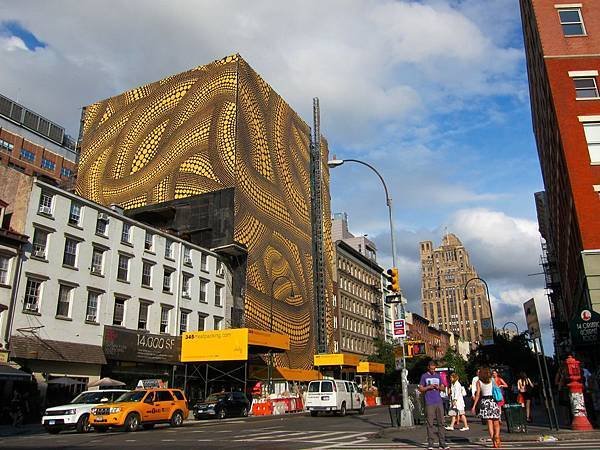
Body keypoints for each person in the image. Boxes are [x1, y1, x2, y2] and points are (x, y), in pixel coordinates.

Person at [419, 360, 449, 450]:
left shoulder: (438, 375)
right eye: (431, 369)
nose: (433, 371)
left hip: (438, 401)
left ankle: (442, 443)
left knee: (441, 423)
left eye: (434, 369)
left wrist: (438, 387)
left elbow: (443, 387)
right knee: (430, 423)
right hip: (429, 402)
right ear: (428, 368)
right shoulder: (424, 376)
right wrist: (428, 387)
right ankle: (431, 443)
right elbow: (420, 388)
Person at [472, 367, 502, 448]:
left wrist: (474, 406)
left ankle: (494, 442)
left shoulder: (479, 382)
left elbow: (478, 394)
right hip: (493, 401)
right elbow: (497, 389)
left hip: (485, 402)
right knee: (496, 422)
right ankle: (497, 436)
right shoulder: (491, 380)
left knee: (489, 423)